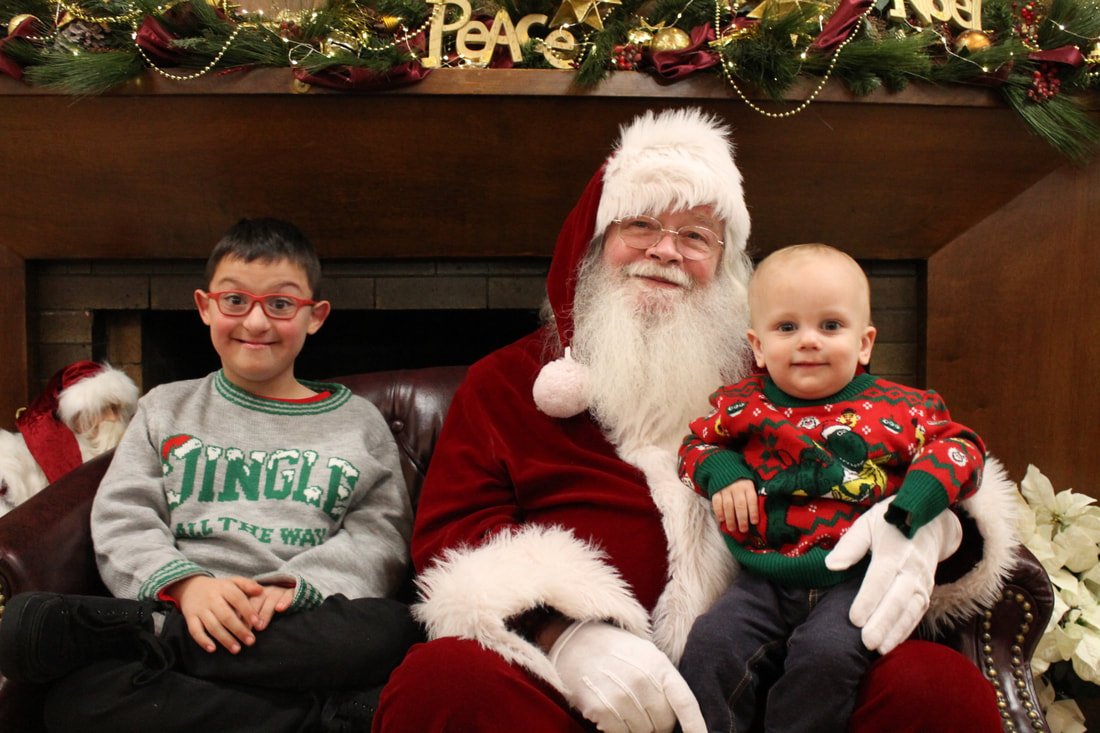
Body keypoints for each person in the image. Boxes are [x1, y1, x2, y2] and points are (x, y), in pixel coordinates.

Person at [373, 107, 1018, 733]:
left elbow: (920, 442)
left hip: (780, 680)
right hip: (567, 695)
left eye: (695, 236)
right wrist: (564, 635)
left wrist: (938, 526)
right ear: (594, 243)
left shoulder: (785, 371)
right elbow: (455, 539)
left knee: (939, 689)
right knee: (442, 680)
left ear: (726, 264)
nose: (666, 252)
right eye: (641, 225)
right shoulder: (506, 384)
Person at [0, 218, 421, 732]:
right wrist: (188, 587)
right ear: (205, 306)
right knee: (75, 701)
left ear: (315, 316)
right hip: (187, 600)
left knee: (392, 628)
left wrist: (294, 587)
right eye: (235, 301)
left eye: (282, 304)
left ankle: (150, 638)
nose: (257, 322)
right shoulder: (165, 408)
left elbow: (380, 534)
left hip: (300, 618)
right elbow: (123, 515)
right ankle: (317, 720)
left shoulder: (357, 423)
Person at [676, 243, 985, 732]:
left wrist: (913, 504)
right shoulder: (742, 406)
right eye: (786, 327)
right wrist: (724, 471)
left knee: (824, 658)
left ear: (865, 343)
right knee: (711, 645)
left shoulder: (902, 407)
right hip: (766, 576)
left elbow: (960, 448)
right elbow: (694, 446)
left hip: (856, 577)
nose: (808, 341)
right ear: (757, 346)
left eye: (831, 326)